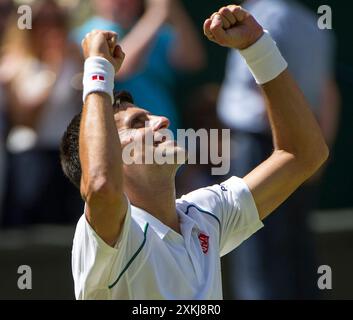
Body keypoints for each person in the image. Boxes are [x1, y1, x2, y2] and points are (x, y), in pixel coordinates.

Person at [60, 5, 328, 299]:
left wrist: (258, 47)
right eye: (138, 123)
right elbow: (100, 185)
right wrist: (98, 67)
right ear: (108, 151)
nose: (162, 121)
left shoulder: (206, 213)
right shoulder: (105, 235)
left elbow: (304, 154)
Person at [218, 0, 340, 299]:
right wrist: (315, 151)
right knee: (297, 252)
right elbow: (327, 93)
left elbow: (269, 84)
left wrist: (290, 147)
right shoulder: (315, 26)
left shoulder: (260, 16)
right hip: (299, 147)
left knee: (256, 255)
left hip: (264, 147)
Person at [73, 0, 205, 132]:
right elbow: (120, 69)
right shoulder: (86, 35)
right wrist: (157, 13)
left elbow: (192, 61)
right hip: (122, 138)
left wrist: (172, 8)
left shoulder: (157, 32)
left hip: (166, 130)